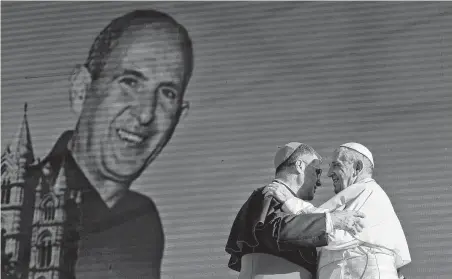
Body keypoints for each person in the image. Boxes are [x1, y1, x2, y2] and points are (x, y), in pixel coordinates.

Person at [32, 9, 193, 279]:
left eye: (167, 93)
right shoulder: (17, 200)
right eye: (129, 81)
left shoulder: (142, 221)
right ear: (82, 89)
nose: (145, 114)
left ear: (179, 115)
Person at [266, 142, 411, 279]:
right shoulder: (356, 194)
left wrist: (290, 202)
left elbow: (333, 235)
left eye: (336, 165)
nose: (329, 173)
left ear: (357, 167)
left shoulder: (368, 191)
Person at [225, 142, 366, 279]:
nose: (319, 181)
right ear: (299, 166)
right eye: (317, 171)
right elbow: (276, 230)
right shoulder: (270, 193)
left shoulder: (296, 208)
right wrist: (331, 220)